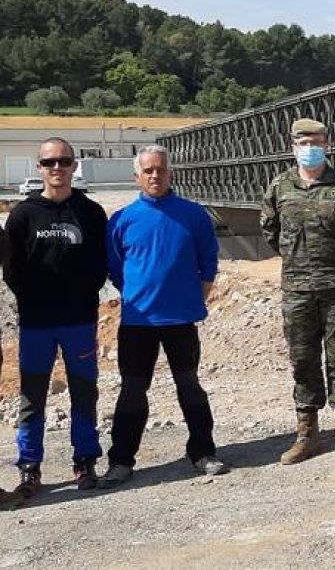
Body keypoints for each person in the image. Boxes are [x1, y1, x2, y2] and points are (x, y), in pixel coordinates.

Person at [98, 145, 228, 488]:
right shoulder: (122, 220)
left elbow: (208, 261)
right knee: (132, 390)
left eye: (161, 170)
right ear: (137, 176)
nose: (155, 175)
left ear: (170, 173)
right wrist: (141, 294)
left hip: (181, 321)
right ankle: (122, 460)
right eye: (148, 171)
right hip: (138, 323)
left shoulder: (193, 214)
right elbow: (115, 268)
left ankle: (203, 452)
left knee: (189, 386)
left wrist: (191, 297)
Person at [261, 118, 335, 464]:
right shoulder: (280, 187)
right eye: (303, 142)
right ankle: (306, 433)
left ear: (327, 145)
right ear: (292, 146)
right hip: (296, 289)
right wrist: (298, 259)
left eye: (316, 142)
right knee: (302, 359)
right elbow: (271, 231)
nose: (309, 148)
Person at [3, 138, 108, 498]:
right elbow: (11, 270)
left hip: (79, 320)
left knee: (84, 392)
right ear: (40, 168)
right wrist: (34, 300)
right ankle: (30, 468)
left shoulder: (91, 213)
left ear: (73, 165)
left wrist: (81, 297)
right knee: (32, 396)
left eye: (64, 161)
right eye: (50, 163)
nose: (57, 168)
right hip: (36, 324)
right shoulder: (22, 215)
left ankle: (85, 461)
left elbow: (100, 265)